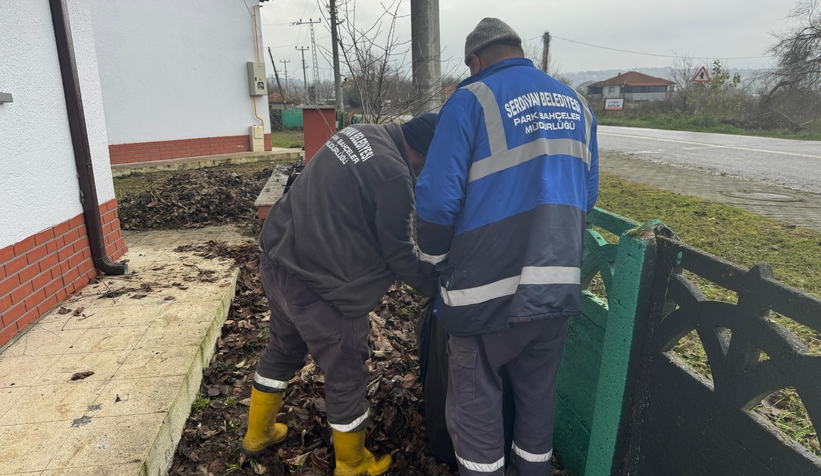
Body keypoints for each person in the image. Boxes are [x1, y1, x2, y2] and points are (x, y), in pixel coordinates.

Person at [414, 18, 599, 476]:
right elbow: (587, 196)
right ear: (520, 50)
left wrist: (436, 264)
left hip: (485, 296)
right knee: (536, 404)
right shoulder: (578, 104)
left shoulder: (470, 100)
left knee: (476, 410)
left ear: (475, 62)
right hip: (556, 288)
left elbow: (436, 203)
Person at [243, 114, 438, 476]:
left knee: (282, 349)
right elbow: (399, 253)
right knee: (346, 374)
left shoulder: (359, 133)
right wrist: (434, 286)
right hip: (323, 290)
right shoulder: (395, 175)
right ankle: (353, 463)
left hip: (279, 260)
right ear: (424, 156)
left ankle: (259, 433)